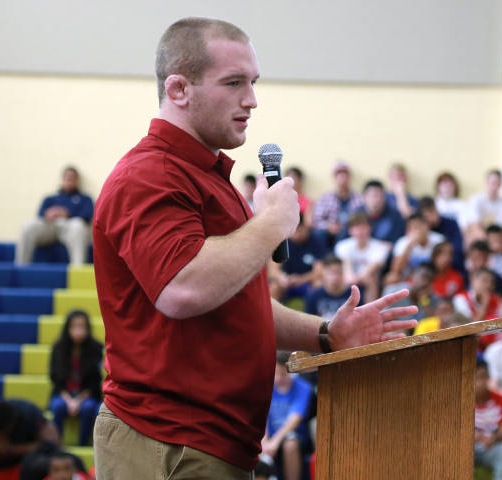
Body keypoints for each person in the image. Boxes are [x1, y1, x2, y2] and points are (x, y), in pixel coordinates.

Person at [91, 17, 418, 479]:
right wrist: (273, 222)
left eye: (254, 82)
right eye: (234, 82)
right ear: (179, 89)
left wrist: (327, 334)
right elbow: (183, 288)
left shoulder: (204, 176)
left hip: (205, 442)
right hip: (168, 441)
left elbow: (239, 305)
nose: (252, 99)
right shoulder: (150, 175)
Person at [15, 166, 94, 265]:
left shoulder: (85, 198)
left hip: (70, 228)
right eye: (66, 177)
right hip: (50, 227)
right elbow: (40, 215)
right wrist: (49, 213)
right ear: (62, 179)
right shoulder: (50, 198)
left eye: (72, 177)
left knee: (78, 225)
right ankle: (21, 267)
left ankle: (77, 270)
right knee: (27, 226)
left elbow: (87, 215)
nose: (69, 179)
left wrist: (67, 213)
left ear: (77, 180)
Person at [48, 310, 103, 446]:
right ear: (68, 328)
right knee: (58, 406)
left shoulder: (96, 348)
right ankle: (56, 445)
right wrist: (69, 400)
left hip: (86, 395)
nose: (79, 330)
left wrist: (77, 401)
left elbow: (95, 382)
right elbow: (55, 378)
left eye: (82, 326)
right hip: (63, 394)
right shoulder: (58, 348)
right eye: (75, 326)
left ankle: (83, 445)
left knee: (89, 407)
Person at [262, 352, 313, 480]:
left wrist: (274, 442)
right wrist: (265, 440)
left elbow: (294, 420)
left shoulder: (303, 387)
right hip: (269, 435)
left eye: (283, 374)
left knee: (290, 444)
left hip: (294, 436)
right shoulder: (266, 386)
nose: (279, 378)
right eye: (276, 374)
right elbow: (262, 415)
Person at [268, 215, 329, 301]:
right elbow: (273, 270)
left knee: (318, 284)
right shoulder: (282, 241)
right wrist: (282, 277)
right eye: (293, 231)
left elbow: (319, 271)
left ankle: (313, 312)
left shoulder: (316, 240)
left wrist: (300, 279)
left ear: (305, 227)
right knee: (274, 287)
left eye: (299, 230)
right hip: (287, 283)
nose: (296, 235)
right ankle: (272, 313)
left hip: (308, 281)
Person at [334, 212, 390, 302]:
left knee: (371, 278)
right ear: (350, 230)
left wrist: (355, 279)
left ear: (370, 228)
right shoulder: (342, 246)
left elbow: (370, 269)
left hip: (368, 280)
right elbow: (346, 268)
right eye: (356, 227)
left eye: (363, 227)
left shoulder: (380, 247)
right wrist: (351, 278)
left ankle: (370, 311)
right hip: (348, 279)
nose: (360, 231)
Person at [474, 358, 502, 480]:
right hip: (469, 446)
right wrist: (474, 437)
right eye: (475, 377)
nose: (479, 382)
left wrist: (494, 438)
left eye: (482, 377)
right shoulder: (461, 401)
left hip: (492, 446)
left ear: (489, 377)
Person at [385, 213, 445, 285]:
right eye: (412, 228)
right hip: (409, 278)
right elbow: (396, 270)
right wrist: (409, 245)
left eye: (417, 227)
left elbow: (443, 266)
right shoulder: (403, 242)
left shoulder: (439, 240)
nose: (416, 231)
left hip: (432, 277)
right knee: (390, 278)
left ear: (427, 226)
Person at [312, 161, 364, 243]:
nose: (342, 177)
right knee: (318, 234)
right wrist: (329, 226)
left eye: (344, 174)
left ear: (349, 177)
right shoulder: (325, 198)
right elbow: (316, 220)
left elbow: (363, 219)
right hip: (329, 234)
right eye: (339, 174)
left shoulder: (359, 198)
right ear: (334, 177)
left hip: (351, 233)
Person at [418, 196, 465, 274]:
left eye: (432, 211)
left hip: (450, 264)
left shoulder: (451, 224)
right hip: (429, 266)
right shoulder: (423, 229)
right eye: (426, 215)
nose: (430, 216)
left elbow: (457, 248)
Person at [465, 169, 502, 240]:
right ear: (485, 183)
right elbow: (474, 226)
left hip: (500, 238)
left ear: (500, 184)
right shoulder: (476, 200)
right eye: (492, 182)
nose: (494, 186)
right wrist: (489, 240)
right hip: (481, 236)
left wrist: (497, 240)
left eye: (497, 183)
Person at [304, 254, 353, 319]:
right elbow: (309, 321)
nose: (335, 277)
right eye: (331, 273)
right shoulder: (313, 296)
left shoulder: (352, 295)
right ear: (324, 273)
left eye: (338, 272)